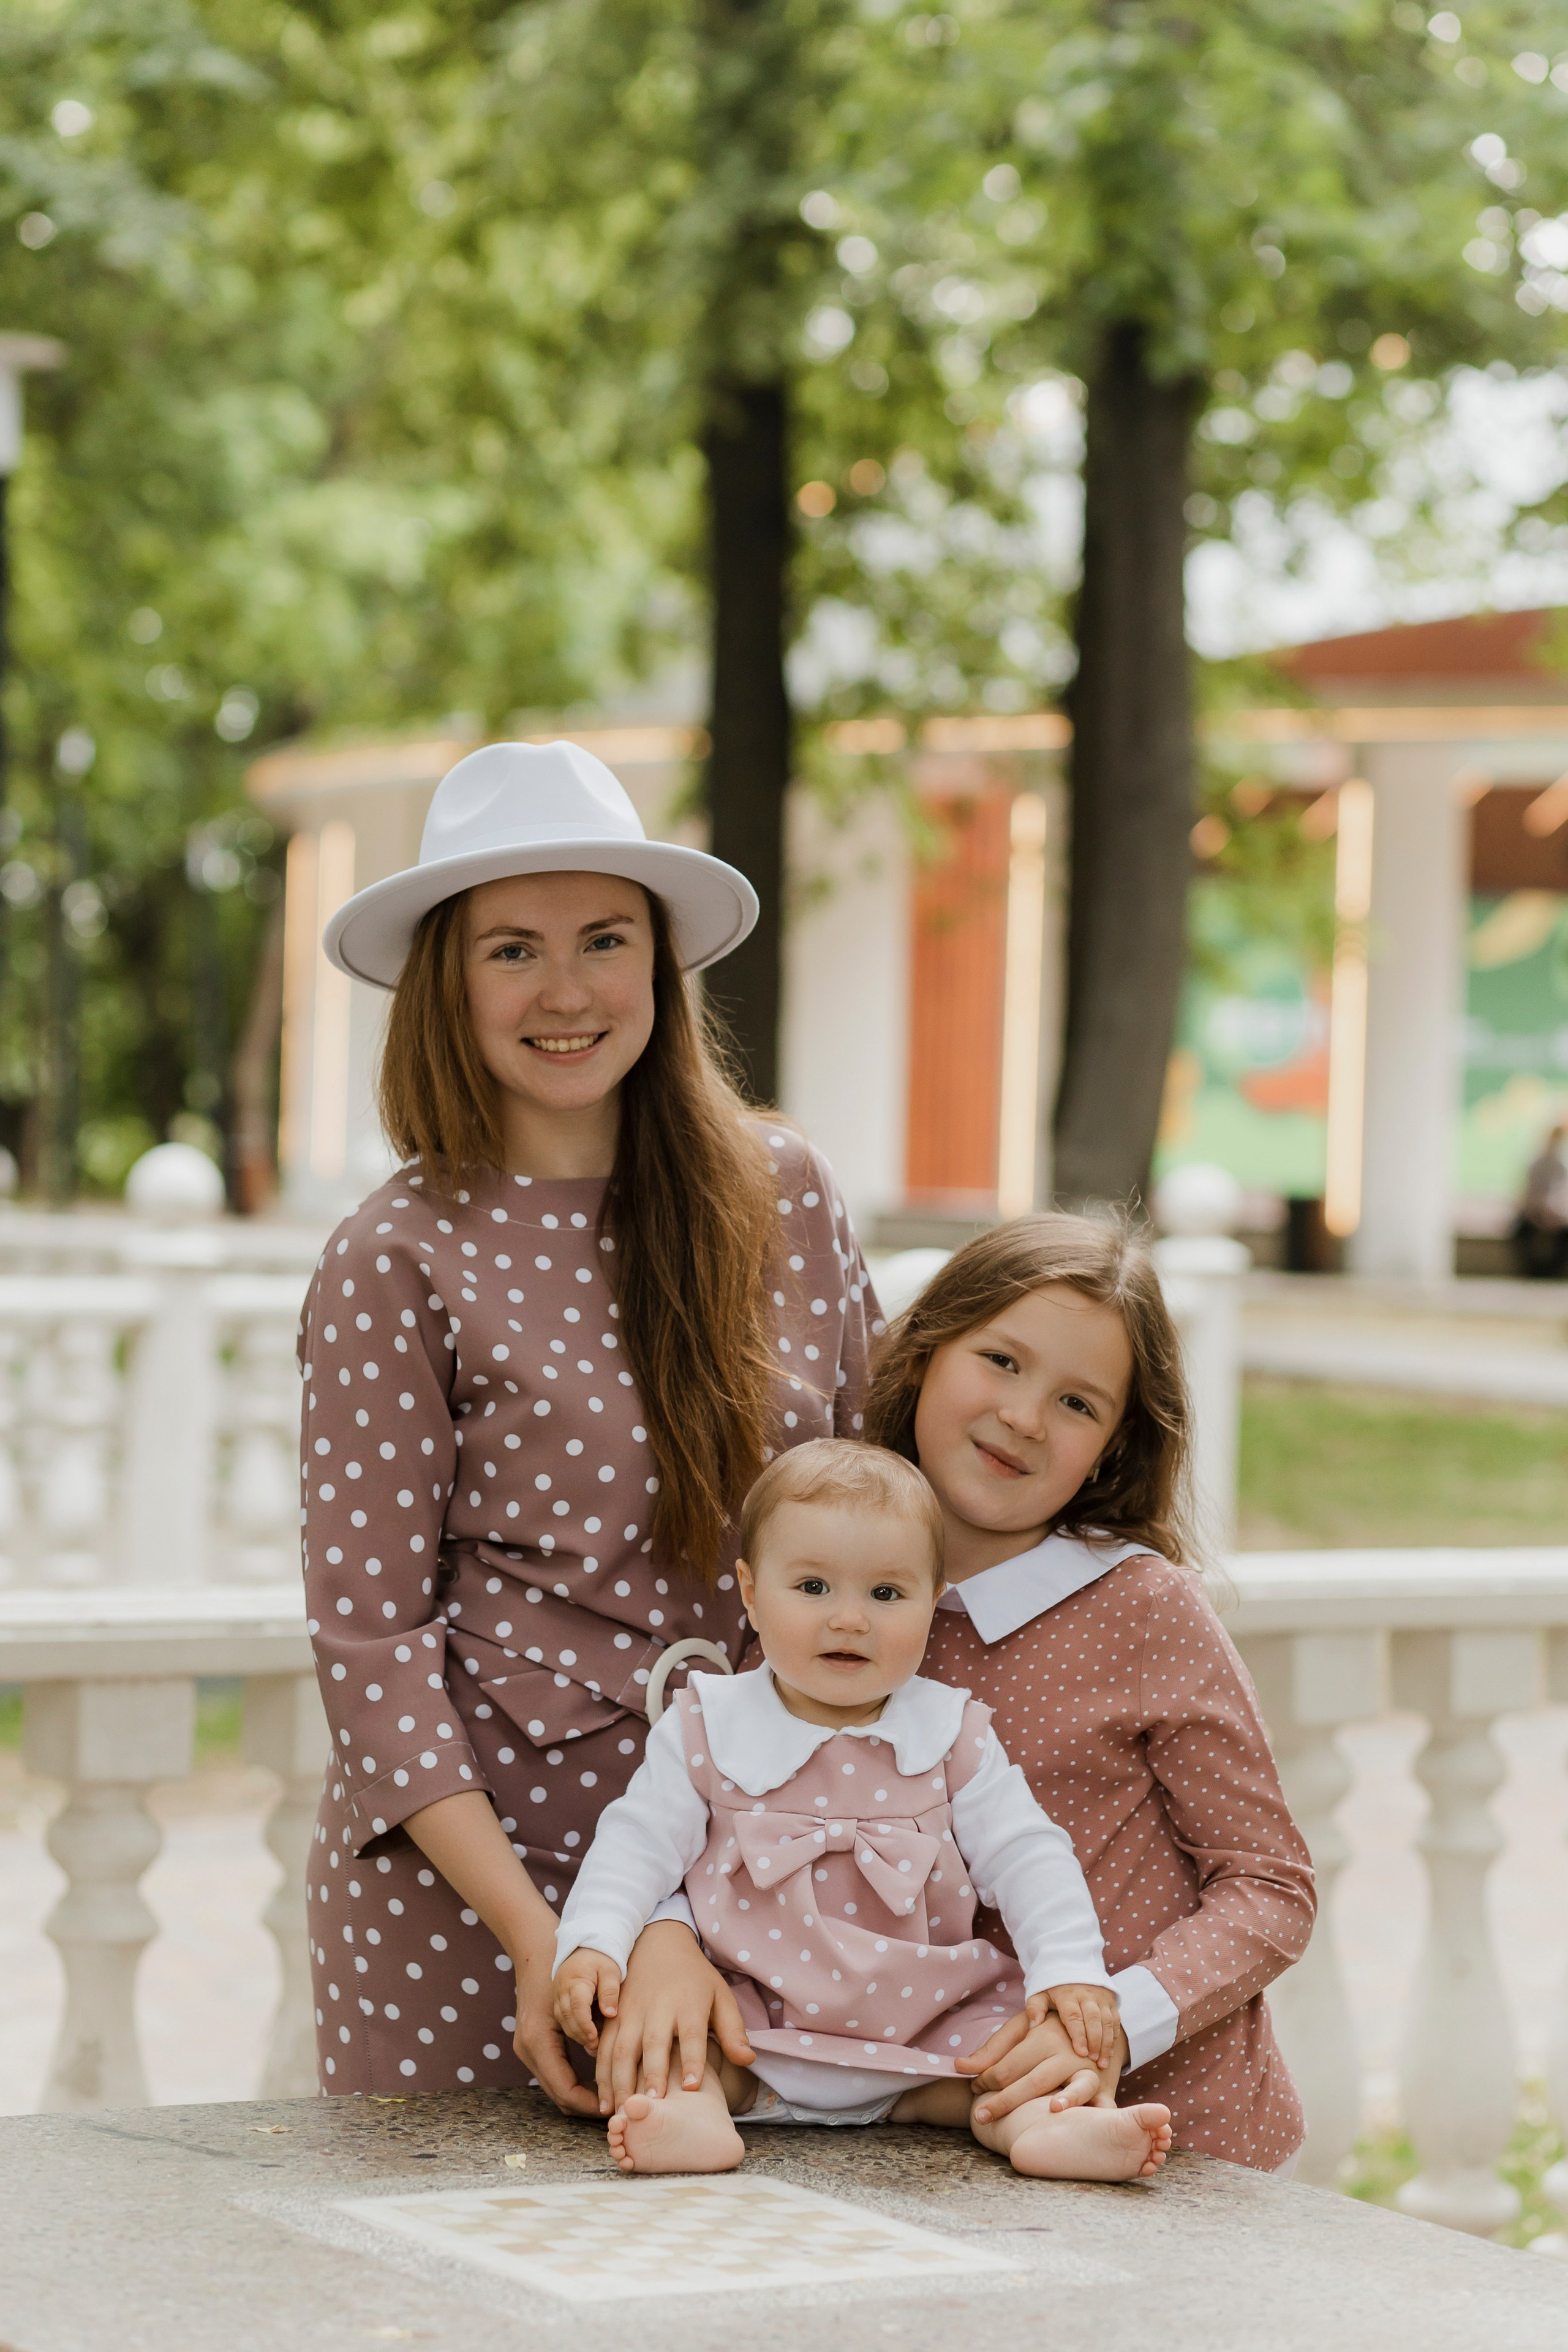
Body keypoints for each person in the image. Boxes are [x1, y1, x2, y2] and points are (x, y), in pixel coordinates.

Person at [300, 738, 878, 2099]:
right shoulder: (397, 1255)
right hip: (481, 1896)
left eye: (603, 939)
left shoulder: (781, 1196)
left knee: (748, 2289)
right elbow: (374, 1644)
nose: (565, 992)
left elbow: (875, 1508)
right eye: (511, 950)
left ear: (660, 966)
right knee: (462, 2297)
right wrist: (540, 1940)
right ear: (447, 981)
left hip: (765, 1865)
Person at [603, 1213, 1314, 2174]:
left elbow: (1269, 1885)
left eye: (1078, 1402)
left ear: (1112, 1445)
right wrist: (665, 1937)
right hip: (918, 2119)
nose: (1024, 1416)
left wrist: (1112, 2022)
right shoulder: (819, 1577)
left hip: (1176, 2122)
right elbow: (721, 1805)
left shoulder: (1143, 1607)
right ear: (926, 1354)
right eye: (1002, 1362)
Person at [552, 1439, 1174, 2182]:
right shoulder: (706, 1725)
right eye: (812, 1587)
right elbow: (635, 1845)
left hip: (928, 2024)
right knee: (667, 2043)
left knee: (1009, 2060)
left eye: (885, 1595)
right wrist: (593, 1941)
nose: (849, 1619)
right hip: (756, 2017)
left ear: (931, 1599)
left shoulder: (951, 1733)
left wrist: (1070, 1970)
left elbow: (1027, 1855)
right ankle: (690, 2116)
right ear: (750, 1593)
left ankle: (1048, 2128)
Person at [1513, 1123, 1568, 1280]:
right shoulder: (1536, 1163)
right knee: (1522, 1231)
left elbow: (1560, 1196)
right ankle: (1531, 1271)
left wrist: (1555, 1214)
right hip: (1535, 1214)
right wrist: (1539, 1213)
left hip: (1556, 1216)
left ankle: (1552, 1272)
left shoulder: (1563, 1166)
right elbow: (1530, 1194)